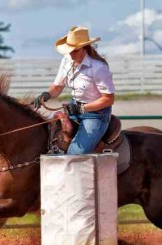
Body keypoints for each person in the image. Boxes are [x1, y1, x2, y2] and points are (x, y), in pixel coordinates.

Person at [35, 26, 115, 155]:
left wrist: (83, 108)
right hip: (73, 107)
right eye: (69, 50)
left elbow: (108, 99)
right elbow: (57, 87)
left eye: (74, 51)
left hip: (96, 115)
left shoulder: (98, 68)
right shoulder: (67, 60)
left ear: (84, 48)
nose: (71, 54)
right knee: (42, 133)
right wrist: (47, 95)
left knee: (75, 155)